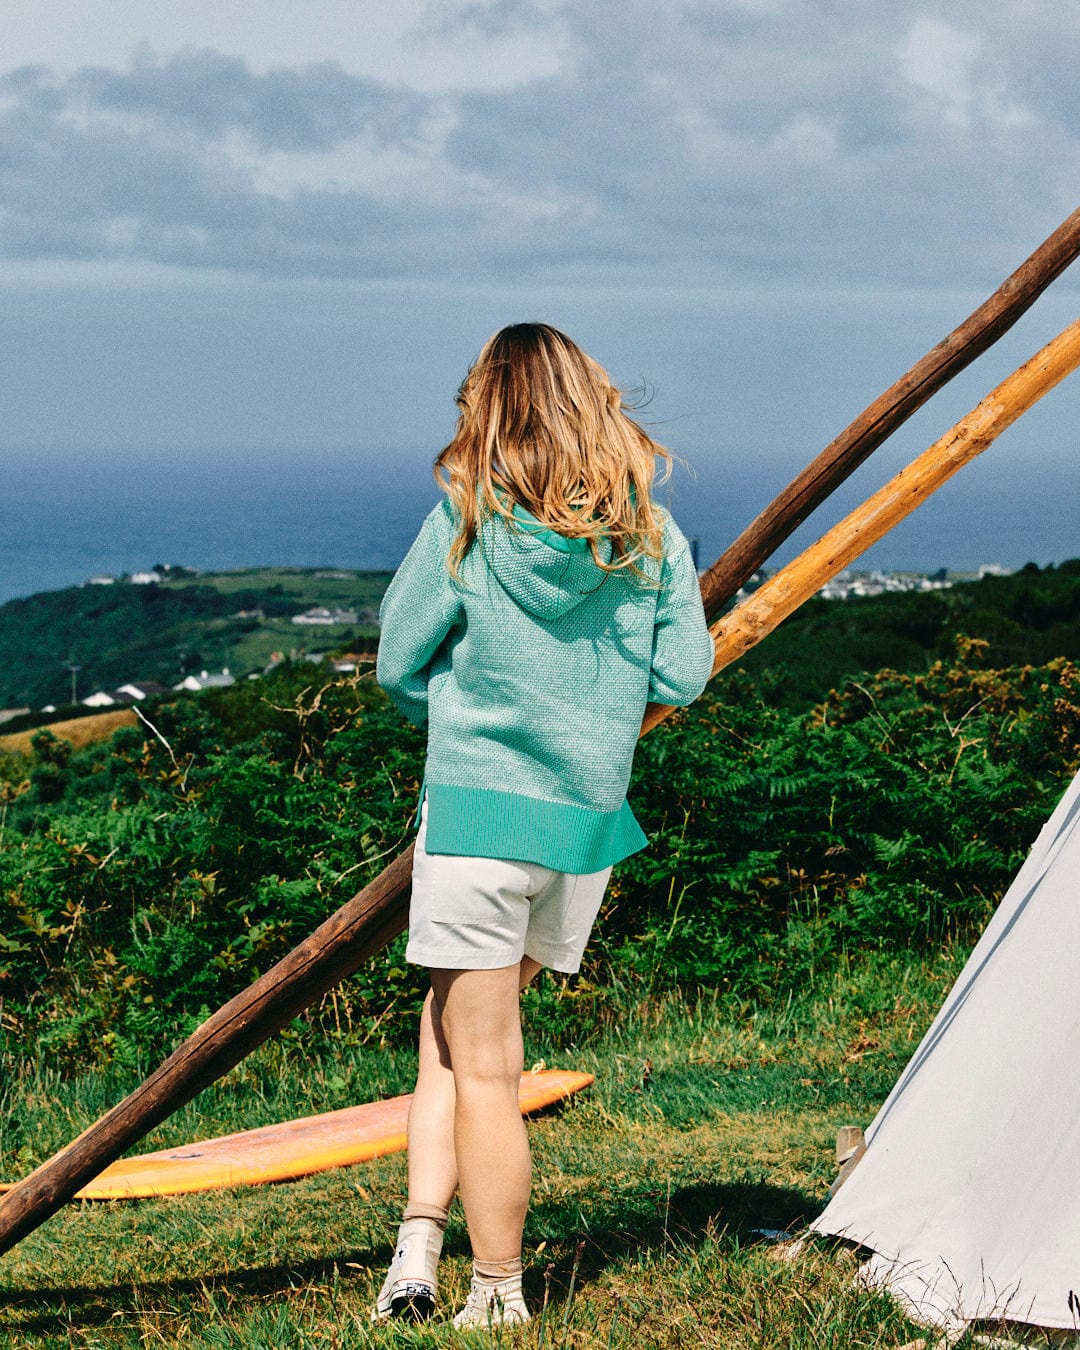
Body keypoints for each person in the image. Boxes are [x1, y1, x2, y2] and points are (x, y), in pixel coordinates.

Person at [373, 323, 713, 1327]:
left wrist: (461, 696)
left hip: (478, 823)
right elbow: (682, 675)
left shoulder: (465, 525)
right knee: (450, 1036)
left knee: (484, 1065)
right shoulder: (649, 537)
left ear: (492, 410)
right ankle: (417, 1247)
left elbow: (398, 663)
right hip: (581, 836)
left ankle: (498, 1293)